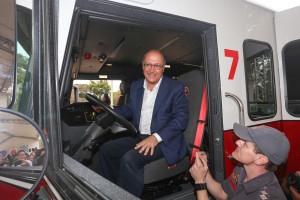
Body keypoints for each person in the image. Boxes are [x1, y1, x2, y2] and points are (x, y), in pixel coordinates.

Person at [99, 49, 189, 197]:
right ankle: (111, 191)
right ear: (142, 66)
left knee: (130, 159)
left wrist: (156, 137)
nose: (152, 70)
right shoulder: (136, 86)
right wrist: (109, 109)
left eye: (157, 66)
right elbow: (130, 109)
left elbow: (181, 120)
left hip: (164, 140)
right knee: (106, 149)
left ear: (163, 67)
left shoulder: (175, 88)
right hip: (140, 136)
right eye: (148, 64)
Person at [190, 123, 290, 200]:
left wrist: (200, 183)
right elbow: (223, 194)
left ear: (260, 159)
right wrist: (204, 171)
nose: (238, 142)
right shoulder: (242, 168)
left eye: (245, 143)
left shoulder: (264, 196)